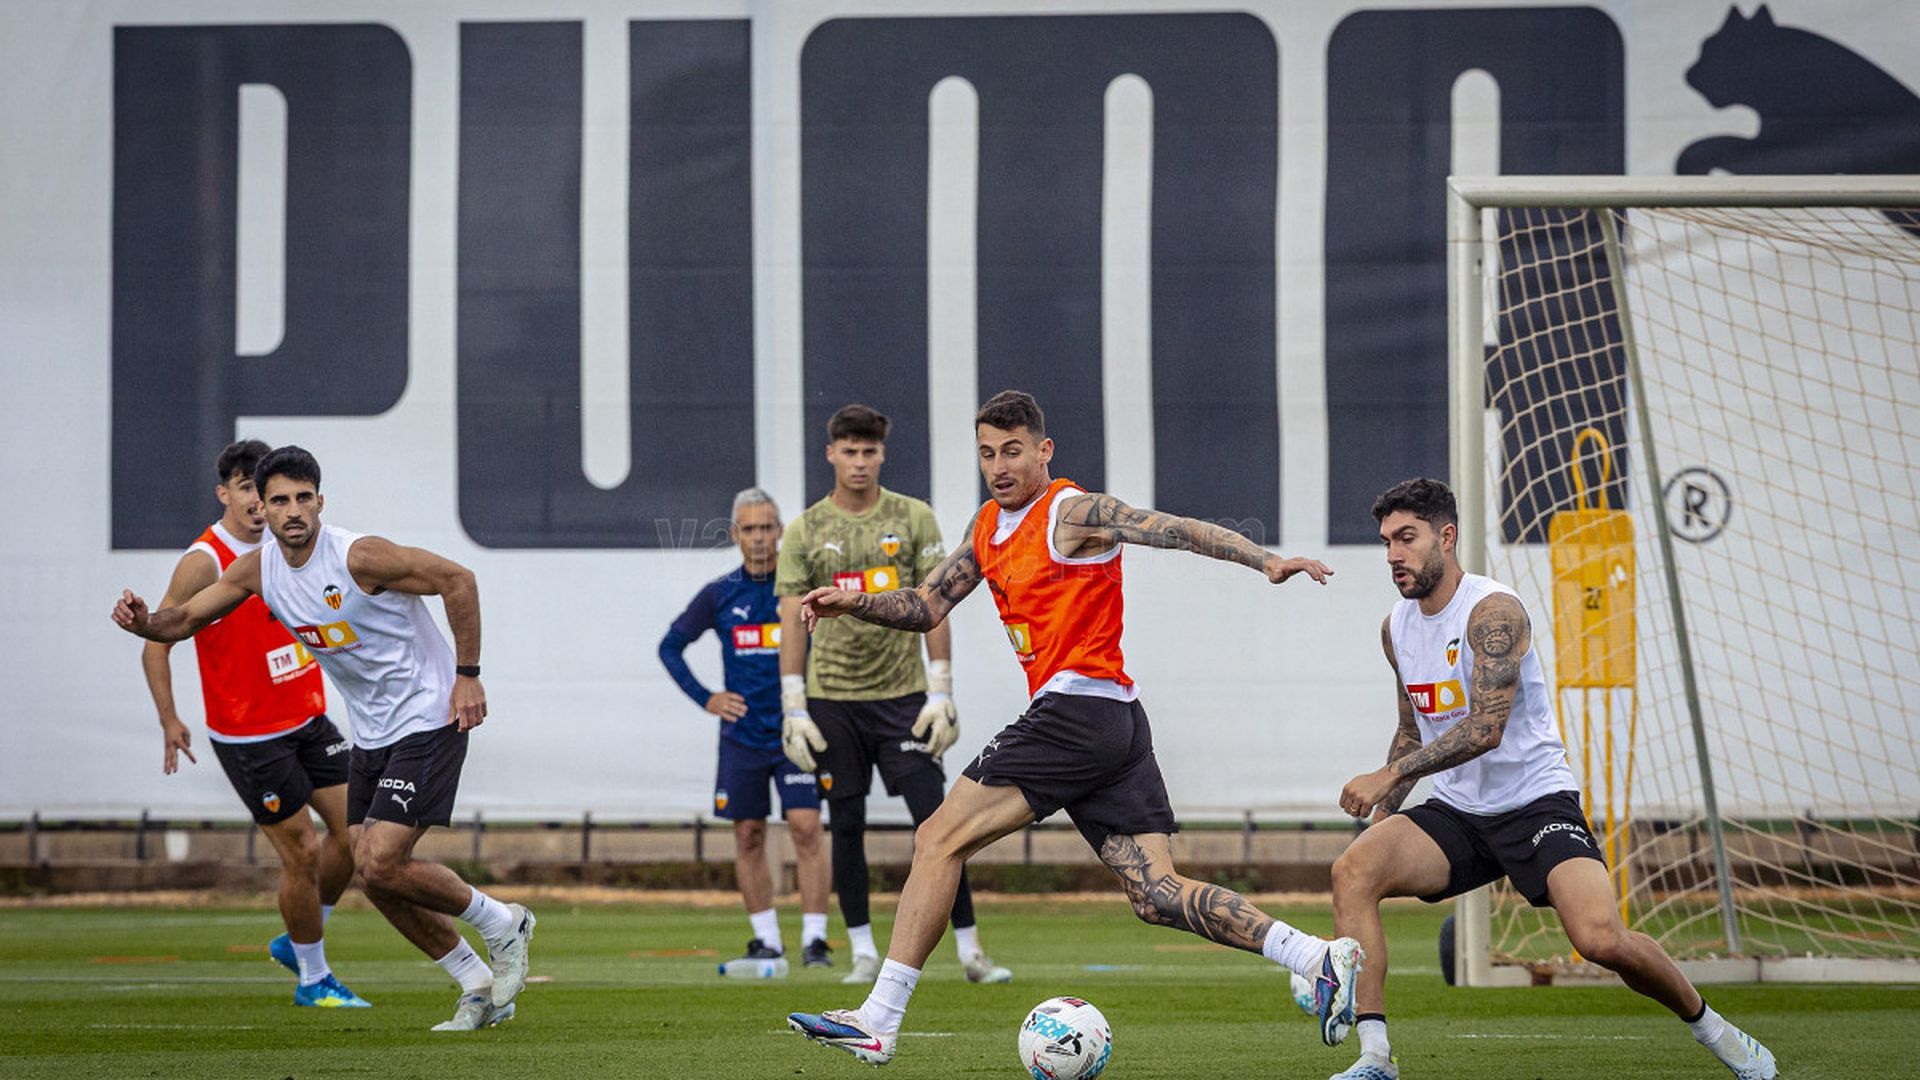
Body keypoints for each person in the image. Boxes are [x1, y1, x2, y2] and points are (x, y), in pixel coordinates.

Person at [787, 390, 1363, 1066]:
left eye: (1012, 451)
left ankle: (879, 1019)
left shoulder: (1070, 510)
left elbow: (1173, 528)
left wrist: (1263, 558)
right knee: (1155, 895)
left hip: (1076, 713)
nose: (999, 466)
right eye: (986, 453)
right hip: (1113, 722)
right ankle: (1318, 957)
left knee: (937, 839)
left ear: (1043, 450)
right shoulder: (985, 527)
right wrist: (851, 601)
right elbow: (925, 605)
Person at [1325, 478, 1776, 1080]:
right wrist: (1382, 822)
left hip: (1536, 803)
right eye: (1386, 543)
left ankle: (1718, 1033)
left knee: (1600, 939)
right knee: (1353, 870)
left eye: (1406, 539)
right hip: (1458, 814)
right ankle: (1375, 1059)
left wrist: (1388, 777)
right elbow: (1413, 730)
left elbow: (1486, 728)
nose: (1393, 556)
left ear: (1447, 537)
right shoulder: (1396, 628)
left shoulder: (1494, 612)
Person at [112, 446, 535, 1032]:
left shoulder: (360, 557)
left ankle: (502, 923)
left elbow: (457, 580)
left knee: (382, 862)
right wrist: (142, 622)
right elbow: (180, 621)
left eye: (302, 498)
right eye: (279, 500)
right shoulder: (257, 570)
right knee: (370, 871)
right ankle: (476, 983)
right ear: (261, 505)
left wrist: (468, 677)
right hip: (372, 731)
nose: (292, 511)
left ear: (319, 501)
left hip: (430, 715)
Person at [775, 403, 1010, 987]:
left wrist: (942, 690)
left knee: (940, 822)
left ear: (882, 454)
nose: (858, 462)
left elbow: (937, 604)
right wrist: (794, 704)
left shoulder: (913, 518)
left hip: (904, 696)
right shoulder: (805, 529)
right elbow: (788, 617)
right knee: (845, 822)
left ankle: (971, 950)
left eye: (868, 451)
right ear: (831, 454)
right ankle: (861, 950)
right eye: (848, 451)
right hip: (833, 698)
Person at [139, 439, 365, 1008]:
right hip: (250, 736)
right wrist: (170, 718)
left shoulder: (292, 547)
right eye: (248, 491)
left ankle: (301, 936)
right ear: (227, 493)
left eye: (265, 494)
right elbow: (159, 641)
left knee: (357, 834)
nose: (261, 506)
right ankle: (314, 980)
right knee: (303, 855)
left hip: (308, 719)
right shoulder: (207, 560)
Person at [660, 487, 832, 970]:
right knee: (748, 834)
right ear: (735, 535)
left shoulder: (801, 587)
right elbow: (670, 647)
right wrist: (707, 698)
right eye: (749, 529)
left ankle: (816, 939)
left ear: (781, 532)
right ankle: (766, 939)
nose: (759, 538)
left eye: (767, 528)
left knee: (805, 828)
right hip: (741, 736)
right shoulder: (720, 593)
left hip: (796, 731)